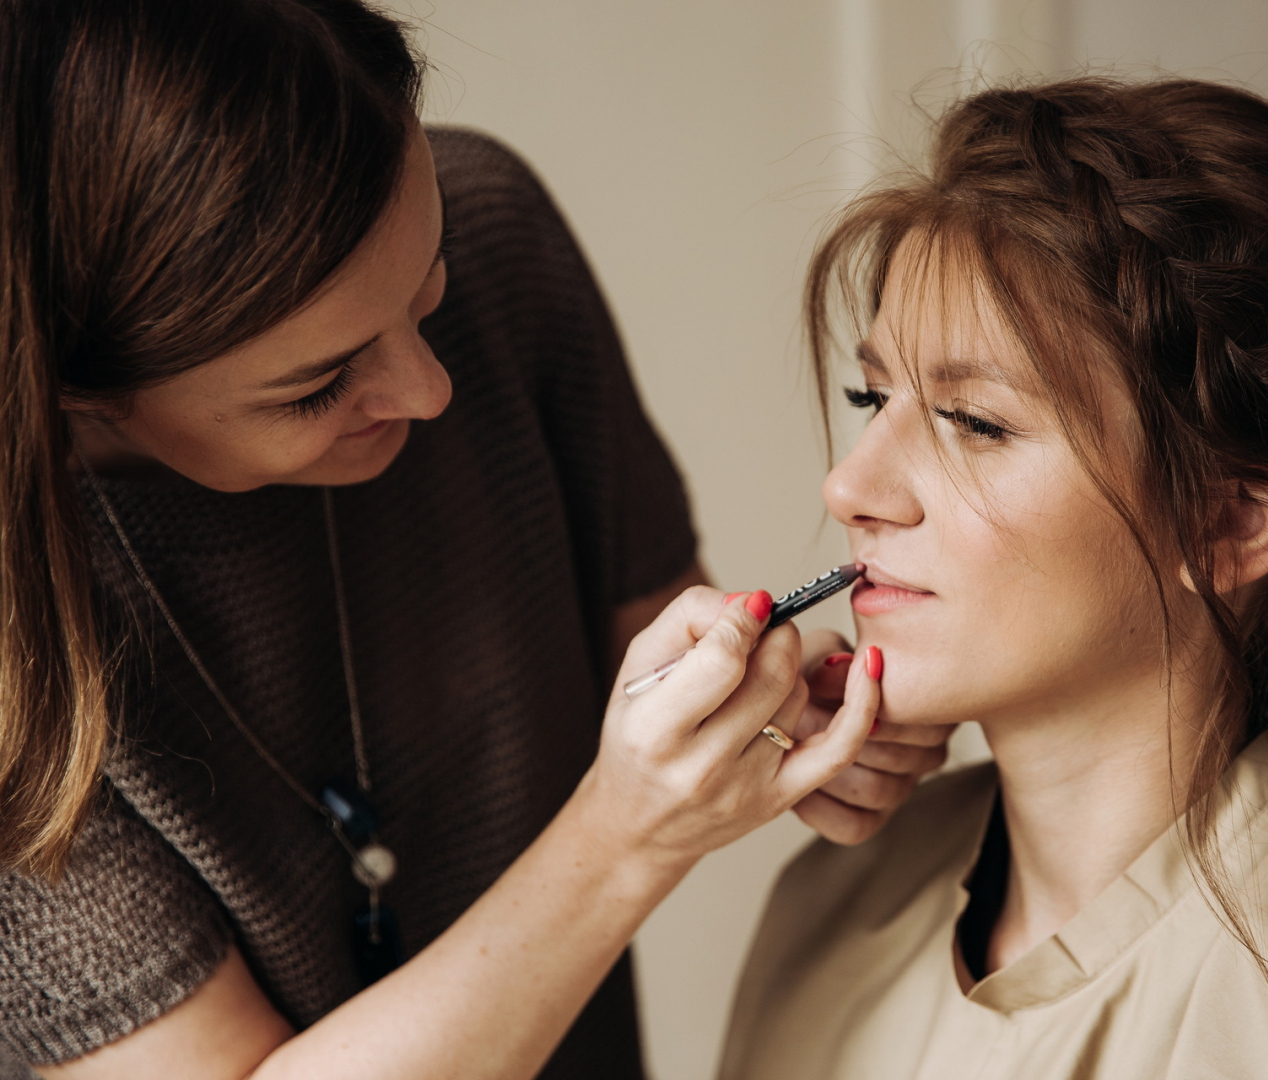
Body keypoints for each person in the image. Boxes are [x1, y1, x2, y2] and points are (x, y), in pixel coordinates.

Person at [0, 2, 953, 1077]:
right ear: (73, 387)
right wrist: (624, 837)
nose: (431, 388)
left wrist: (783, 722)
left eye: (429, 286)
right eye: (320, 386)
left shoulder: (498, 229)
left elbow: (653, 651)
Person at [719, 76, 1268, 1079]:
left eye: (975, 421)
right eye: (871, 393)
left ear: (1232, 522)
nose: (849, 485)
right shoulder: (829, 908)